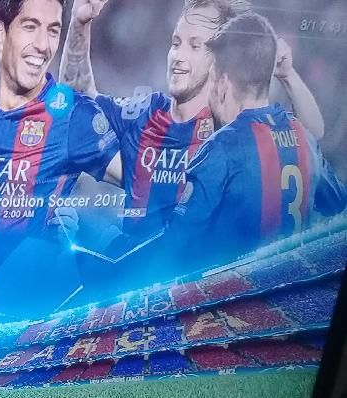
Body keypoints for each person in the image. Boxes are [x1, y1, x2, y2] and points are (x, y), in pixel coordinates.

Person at [59, 0, 326, 242]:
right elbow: (78, 106)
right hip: (136, 275)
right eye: (176, 43)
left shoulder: (233, 128)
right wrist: (80, 23)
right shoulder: (145, 113)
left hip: (206, 276)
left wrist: (287, 75)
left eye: (195, 46)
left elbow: (310, 135)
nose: (178, 56)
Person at [155, 13, 346, 273]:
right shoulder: (305, 137)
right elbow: (339, 207)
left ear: (222, 83)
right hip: (298, 288)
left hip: (238, 295)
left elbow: (173, 248)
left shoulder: (221, 149)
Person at [0, 0, 120, 244]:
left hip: (31, 268)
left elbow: (144, 181)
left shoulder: (72, 117)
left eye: (53, 30)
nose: (43, 45)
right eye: (30, 26)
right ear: (1, 33)